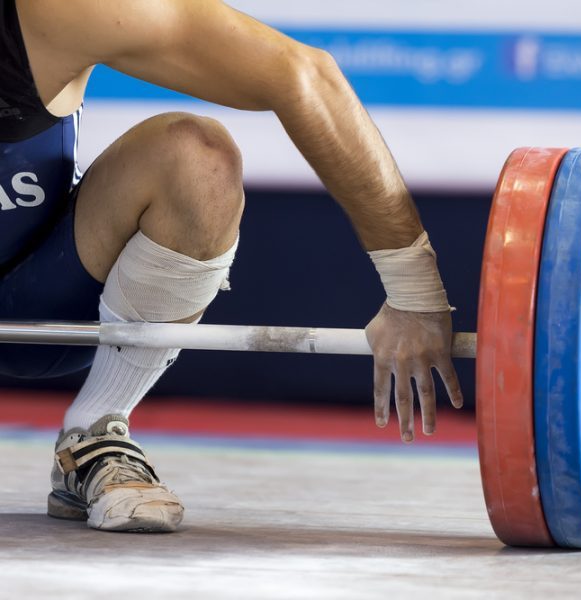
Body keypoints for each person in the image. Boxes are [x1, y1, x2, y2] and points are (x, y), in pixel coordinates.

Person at [0, 0, 464, 532]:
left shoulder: (56, 12)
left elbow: (302, 75)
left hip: (50, 303)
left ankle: (95, 431)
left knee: (198, 157)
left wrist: (415, 289)